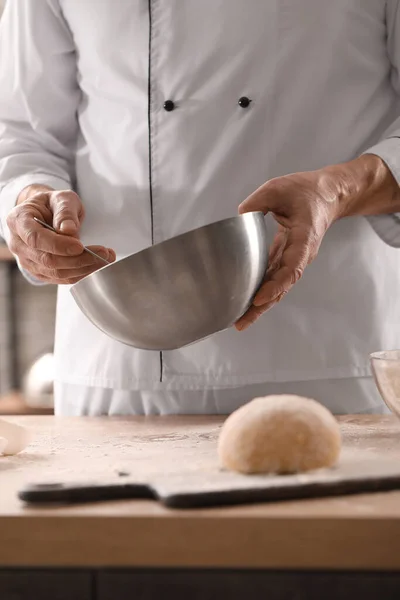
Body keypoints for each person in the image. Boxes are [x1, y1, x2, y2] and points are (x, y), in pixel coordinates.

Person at [1, 0, 400, 416]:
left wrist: (339, 190)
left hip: (324, 354)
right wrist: (29, 200)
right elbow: (19, 133)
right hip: (118, 369)